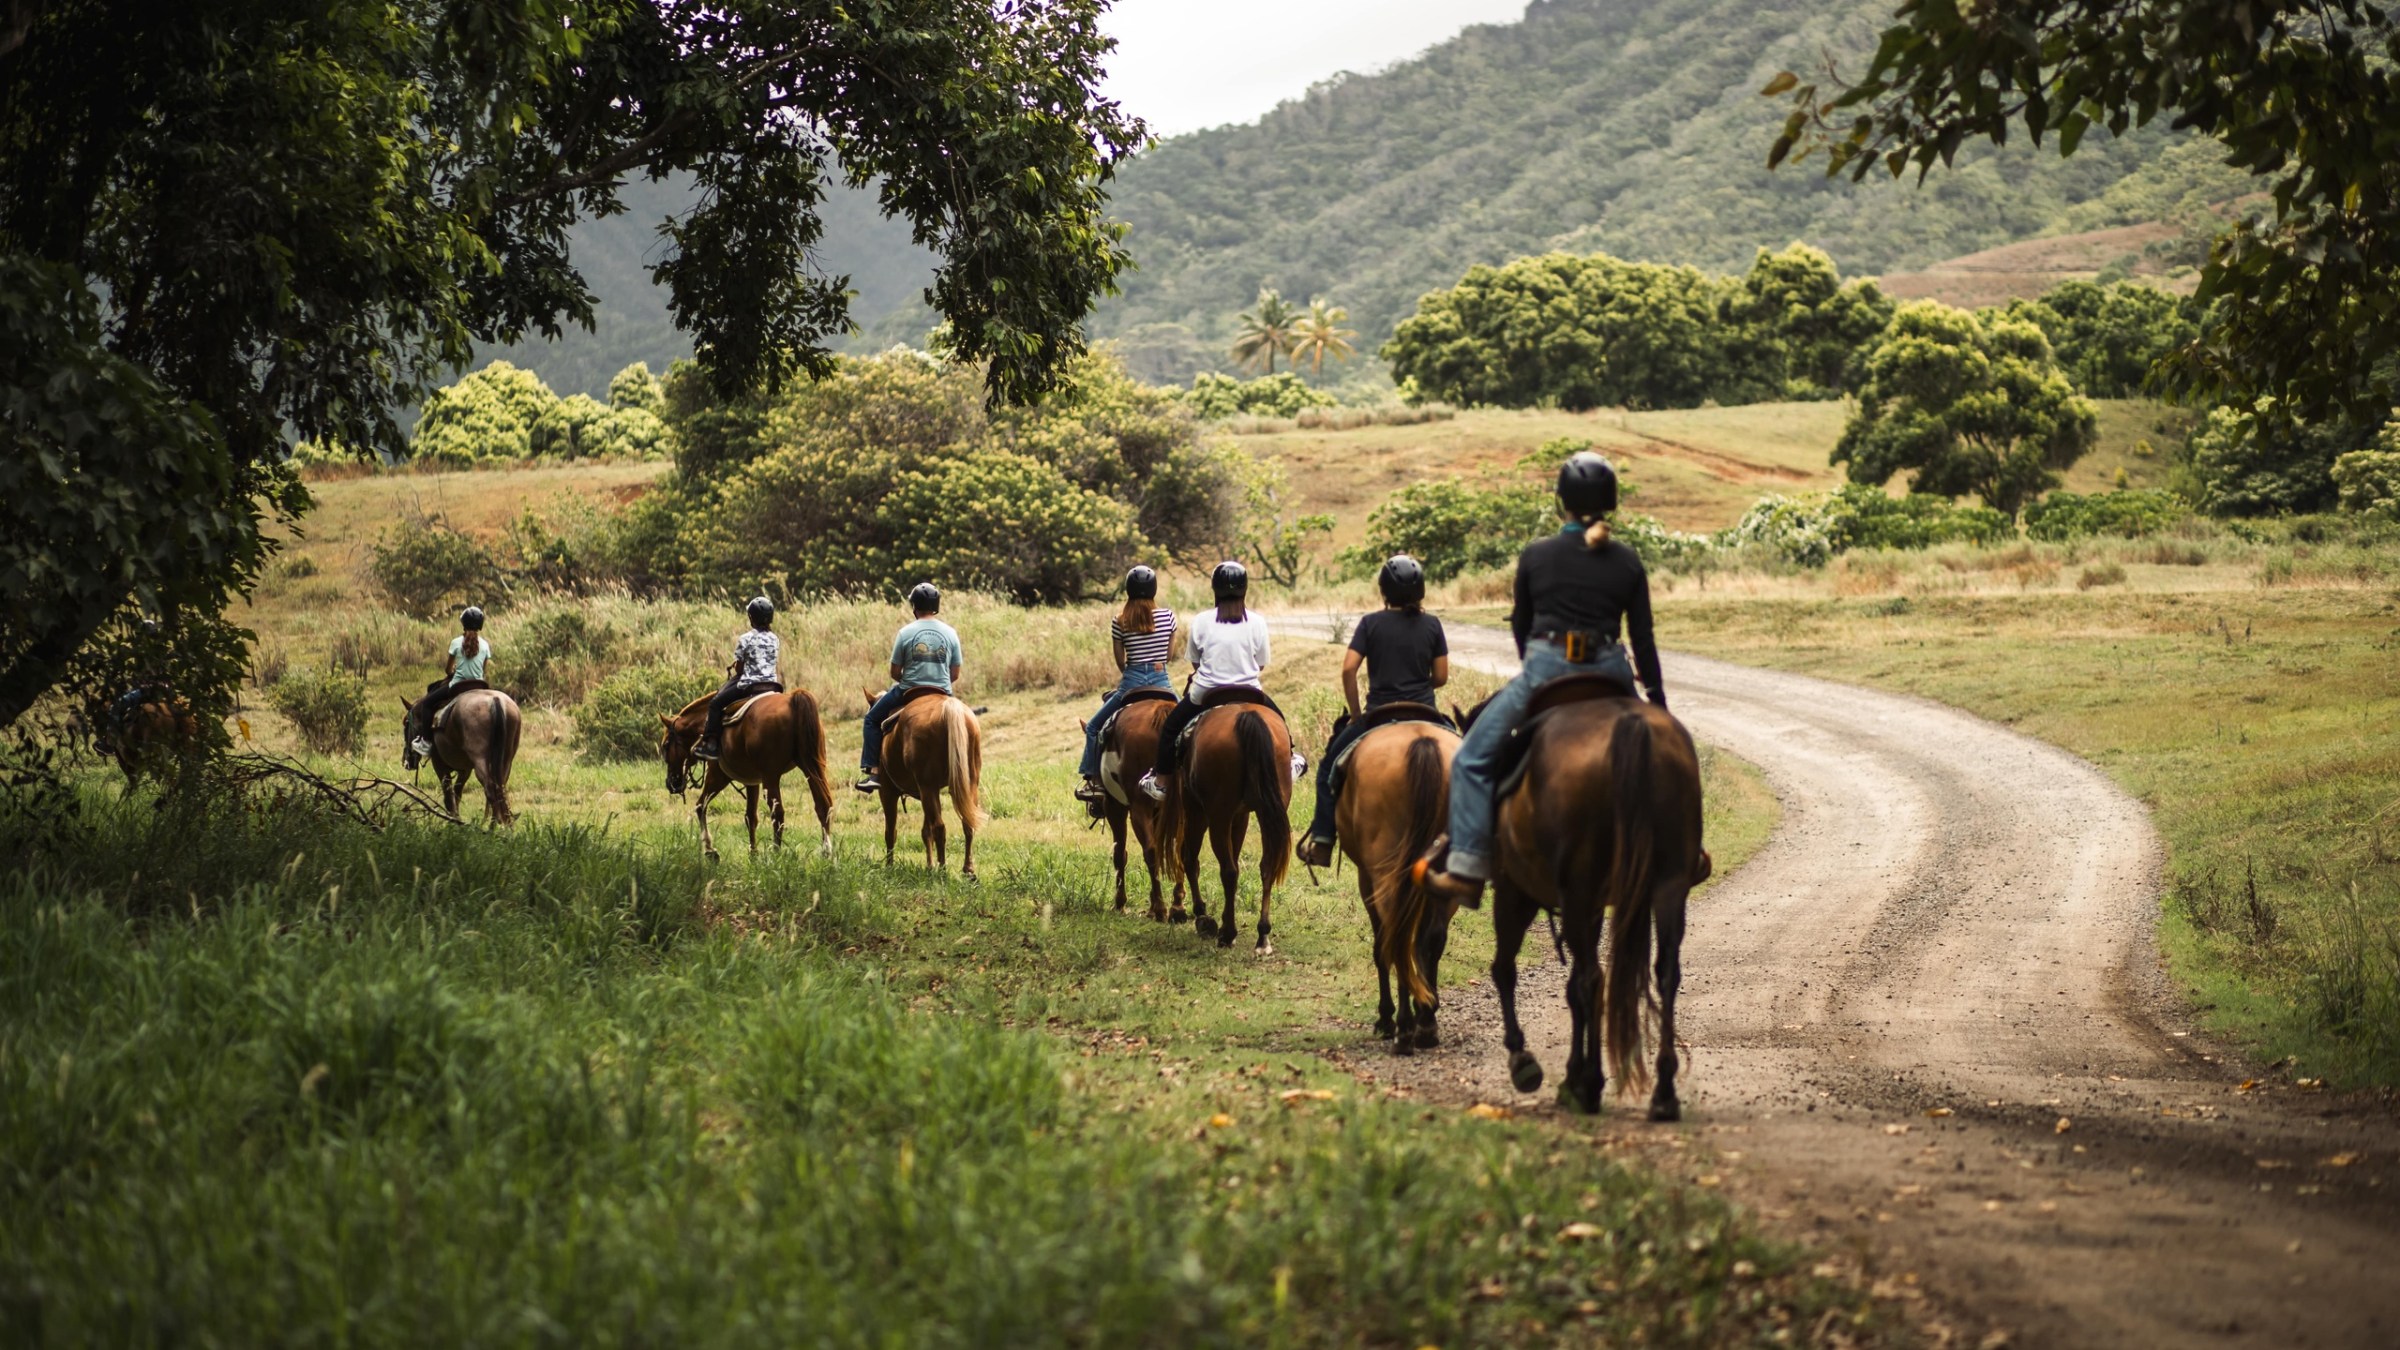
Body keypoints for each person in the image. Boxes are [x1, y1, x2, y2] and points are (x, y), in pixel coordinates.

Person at [1420, 452, 1665, 903]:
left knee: (1472, 757)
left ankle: (1469, 867)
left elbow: (1521, 625)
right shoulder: (1627, 560)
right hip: (1611, 669)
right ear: (1611, 504)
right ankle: (1676, 853)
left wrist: (1535, 668)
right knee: (1662, 755)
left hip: (1548, 667)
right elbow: (1644, 640)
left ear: (1562, 503)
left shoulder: (1537, 555)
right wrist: (1658, 702)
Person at [1294, 555, 1450, 868]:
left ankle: (1323, 840)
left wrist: (1355, 713)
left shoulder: (1371, 623)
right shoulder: (1432, 625)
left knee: (1328, 768)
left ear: (1383, 591)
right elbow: (1442, 677)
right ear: (1420, 591)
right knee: (1469, 762)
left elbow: (1349, 669)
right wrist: (1421, 682)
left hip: (1379, 714)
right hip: (1425, 713)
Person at [1138, 560, 1302, 802]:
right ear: (1245, 589)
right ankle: (1291, 759)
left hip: (1207, 693)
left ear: (1215, 590)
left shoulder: (1202, 620)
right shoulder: (1257, 621)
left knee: (1172, 727)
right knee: (1279, 720)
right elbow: (1261, 663)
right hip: (1249, 690)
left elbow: (1195, 662)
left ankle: (1162, 780)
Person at [1074, 565, 1178, 814]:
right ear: (1153, 590)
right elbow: (1169, 655)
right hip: (1161, 680)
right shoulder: (1168, 617)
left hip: (1131, 682)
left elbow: (1121, 662)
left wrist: (1133, 670)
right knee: (1191, 723)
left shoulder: (1119, 620)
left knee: (1093, 727)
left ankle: (1094, 783)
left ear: (1128, 591)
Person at [856, 582, 963, 793]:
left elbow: (895, 672)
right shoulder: (951, 633)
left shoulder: (905, 633)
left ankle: (874, 772)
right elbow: (955, 674)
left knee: (871, 720)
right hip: (942, 692)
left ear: (914, 606)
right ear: (936, 606)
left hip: (908, 691)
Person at [408, 606, 493, 758]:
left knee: (427, 703)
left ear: (463, 624)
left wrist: (455, 671)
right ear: (481, 625)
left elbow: (448, 670)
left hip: (458, 687)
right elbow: (483, 671)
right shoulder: (485, 645)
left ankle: (426, 742)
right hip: (479, 686)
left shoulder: (456, 642)